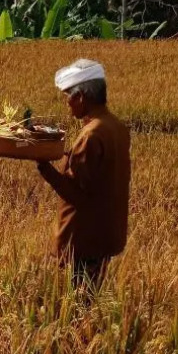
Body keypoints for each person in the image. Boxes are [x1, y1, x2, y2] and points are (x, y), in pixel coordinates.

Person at [36, 59, 131, 295]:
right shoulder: (115, 126)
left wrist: (42, 164)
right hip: (106, 233)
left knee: (78, 305)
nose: (67, 104)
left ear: (81, 97)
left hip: (83, 239)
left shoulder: (91, 135)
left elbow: (77, 194)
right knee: (90, 298)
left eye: (68, 96)